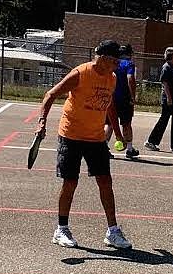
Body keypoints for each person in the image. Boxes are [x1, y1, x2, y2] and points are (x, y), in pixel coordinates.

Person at [35, 39, 132, 249]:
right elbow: (51, 94)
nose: (118, 65)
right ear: (105, 58)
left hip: (95, 137)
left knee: (105, 181)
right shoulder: (81, 73)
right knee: (70, 182)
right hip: (71, 134)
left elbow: (109, 106)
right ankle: (61, 229)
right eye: (116, 61)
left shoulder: (112, 78)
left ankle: (113, 232)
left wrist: (117, 133)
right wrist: (42, 122)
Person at [145, 47, 173, 154]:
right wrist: (169, 98)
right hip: (170, 99)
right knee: (164, 120)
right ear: (171, 56)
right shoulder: (166, 67)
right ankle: (151, 141)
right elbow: (165, 84)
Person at [105, 44, 138, 159]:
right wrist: (133, 96)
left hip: (111, 97)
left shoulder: (114, 64)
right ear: (130, 54)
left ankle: (104, 148)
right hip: (124, 98)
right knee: (126, 123)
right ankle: (129, 149)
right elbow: (130, 79)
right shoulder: (129, 64)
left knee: (109, 124)